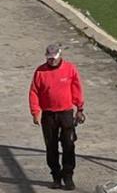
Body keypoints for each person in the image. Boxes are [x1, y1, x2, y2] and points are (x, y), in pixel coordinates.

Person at [28, 43, 85, 191]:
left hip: (66, 113)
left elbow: (77, 88)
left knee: (69, 144)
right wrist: (36, 112)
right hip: (48, 115)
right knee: (51, 146)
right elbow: (34, 92)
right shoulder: (40, 72)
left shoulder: (70, 69)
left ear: (60, 56)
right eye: (49, 58)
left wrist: (79, 109)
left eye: (54, 58)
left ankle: (68, 176)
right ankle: (56, 177)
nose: (51, 61)